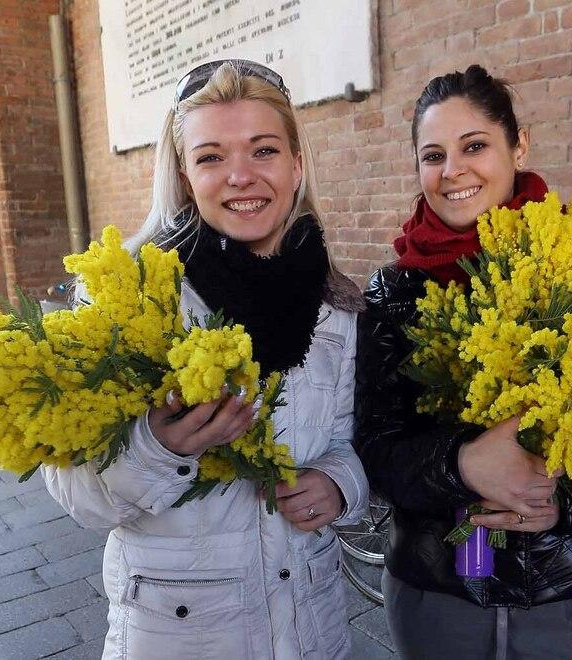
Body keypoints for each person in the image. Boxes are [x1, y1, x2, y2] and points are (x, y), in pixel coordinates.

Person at [43, 60, 368, 660]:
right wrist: (157, 449)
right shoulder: (128, 300)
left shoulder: (338, 306)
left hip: (312, 630)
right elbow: (77, 495)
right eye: (211, 156)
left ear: (297, 166)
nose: (240, 176)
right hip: (181, 633)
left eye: (263, 150)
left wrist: (340, 485)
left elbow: (350, 443)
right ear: (187, 176)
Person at [354, 64, 572, 659]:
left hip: (571, 591)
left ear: (518, 144)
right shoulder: (395, 292)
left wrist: (567, 495)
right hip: (436, 597)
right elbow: (377, 449)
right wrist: (464, 465)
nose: (452, 171)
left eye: (473, 145)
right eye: (433, 155)